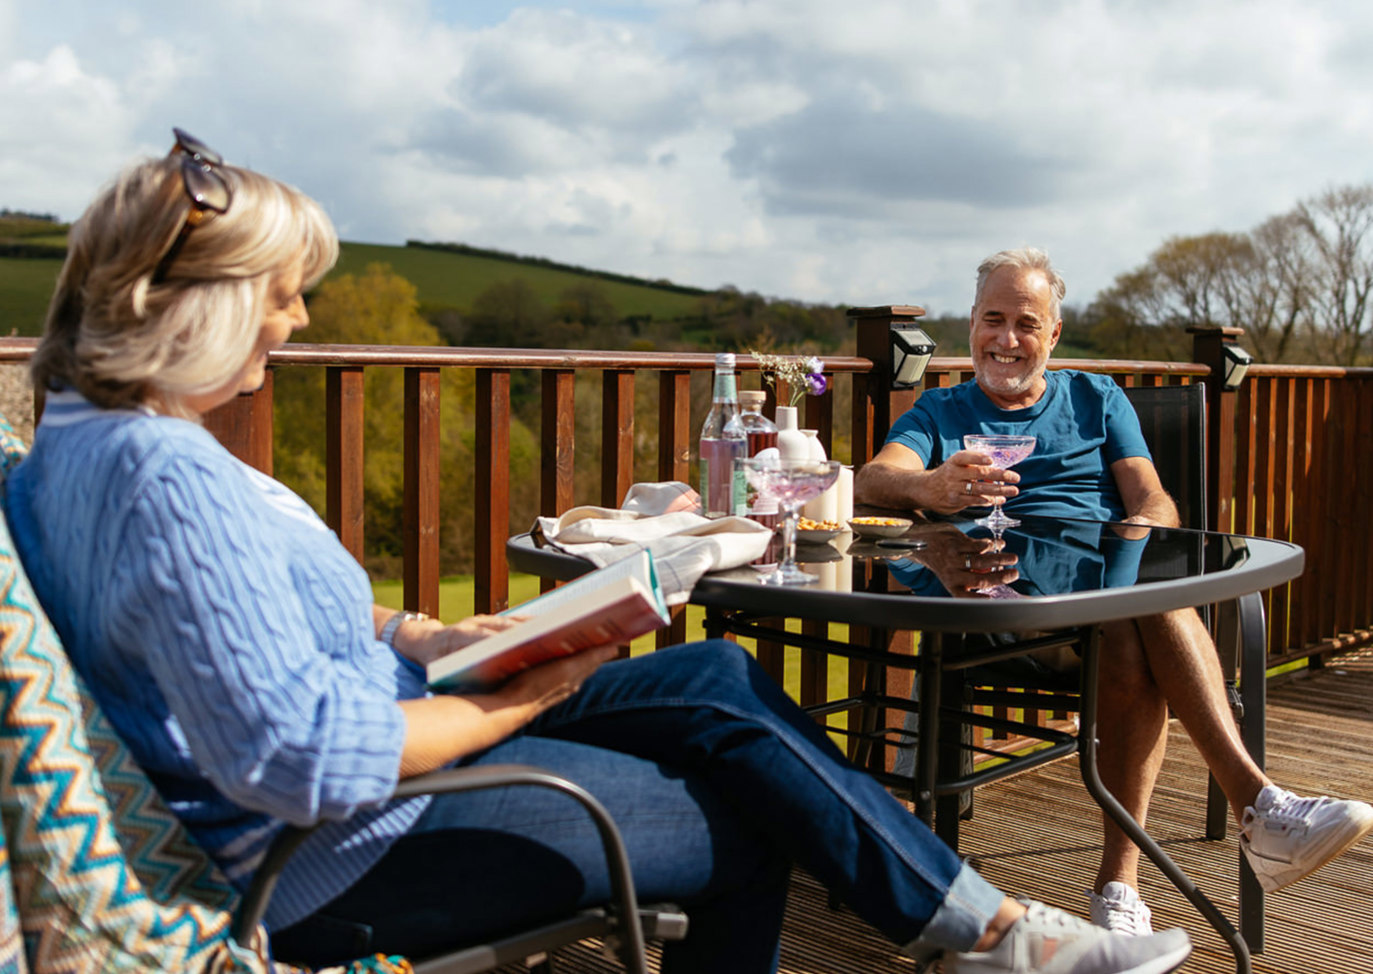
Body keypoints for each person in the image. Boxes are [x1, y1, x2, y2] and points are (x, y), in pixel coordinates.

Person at [1, 131, 1194, 974]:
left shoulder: (78, 445)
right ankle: (993, 933)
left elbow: (225, 629)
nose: (298, 319)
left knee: (718, 679)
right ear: (195, 301)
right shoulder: (159, 479)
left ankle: (987, 928)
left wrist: (419, 632)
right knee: (750, 817)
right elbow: (305, 759)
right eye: (279, 292)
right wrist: (523, 689)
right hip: (351, 850)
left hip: (405, 737)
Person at [855, 246, 1373, 935]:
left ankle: (1121, 888)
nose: (1006, 340)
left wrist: (1139, 533)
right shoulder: (939, 409)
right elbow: (868, 482)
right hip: (1001, 610)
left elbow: (1153, 500)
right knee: (1145, 617)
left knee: (1132, 633)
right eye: (992, 319)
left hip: (1106, 599)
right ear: (970, 326)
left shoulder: (1096, 399)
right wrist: (928, 486)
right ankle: (1253, 814)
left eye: (1026, 323)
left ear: (1054, 335)